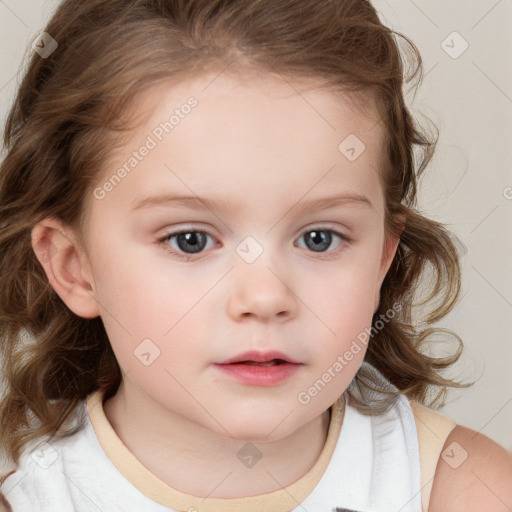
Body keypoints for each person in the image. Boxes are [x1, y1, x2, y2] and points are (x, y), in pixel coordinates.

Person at [0, 1, 511, 511]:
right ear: (75, 267)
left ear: (381, 257)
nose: (265, 297)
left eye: (319, 238)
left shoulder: (464, 490)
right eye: (190, 240)